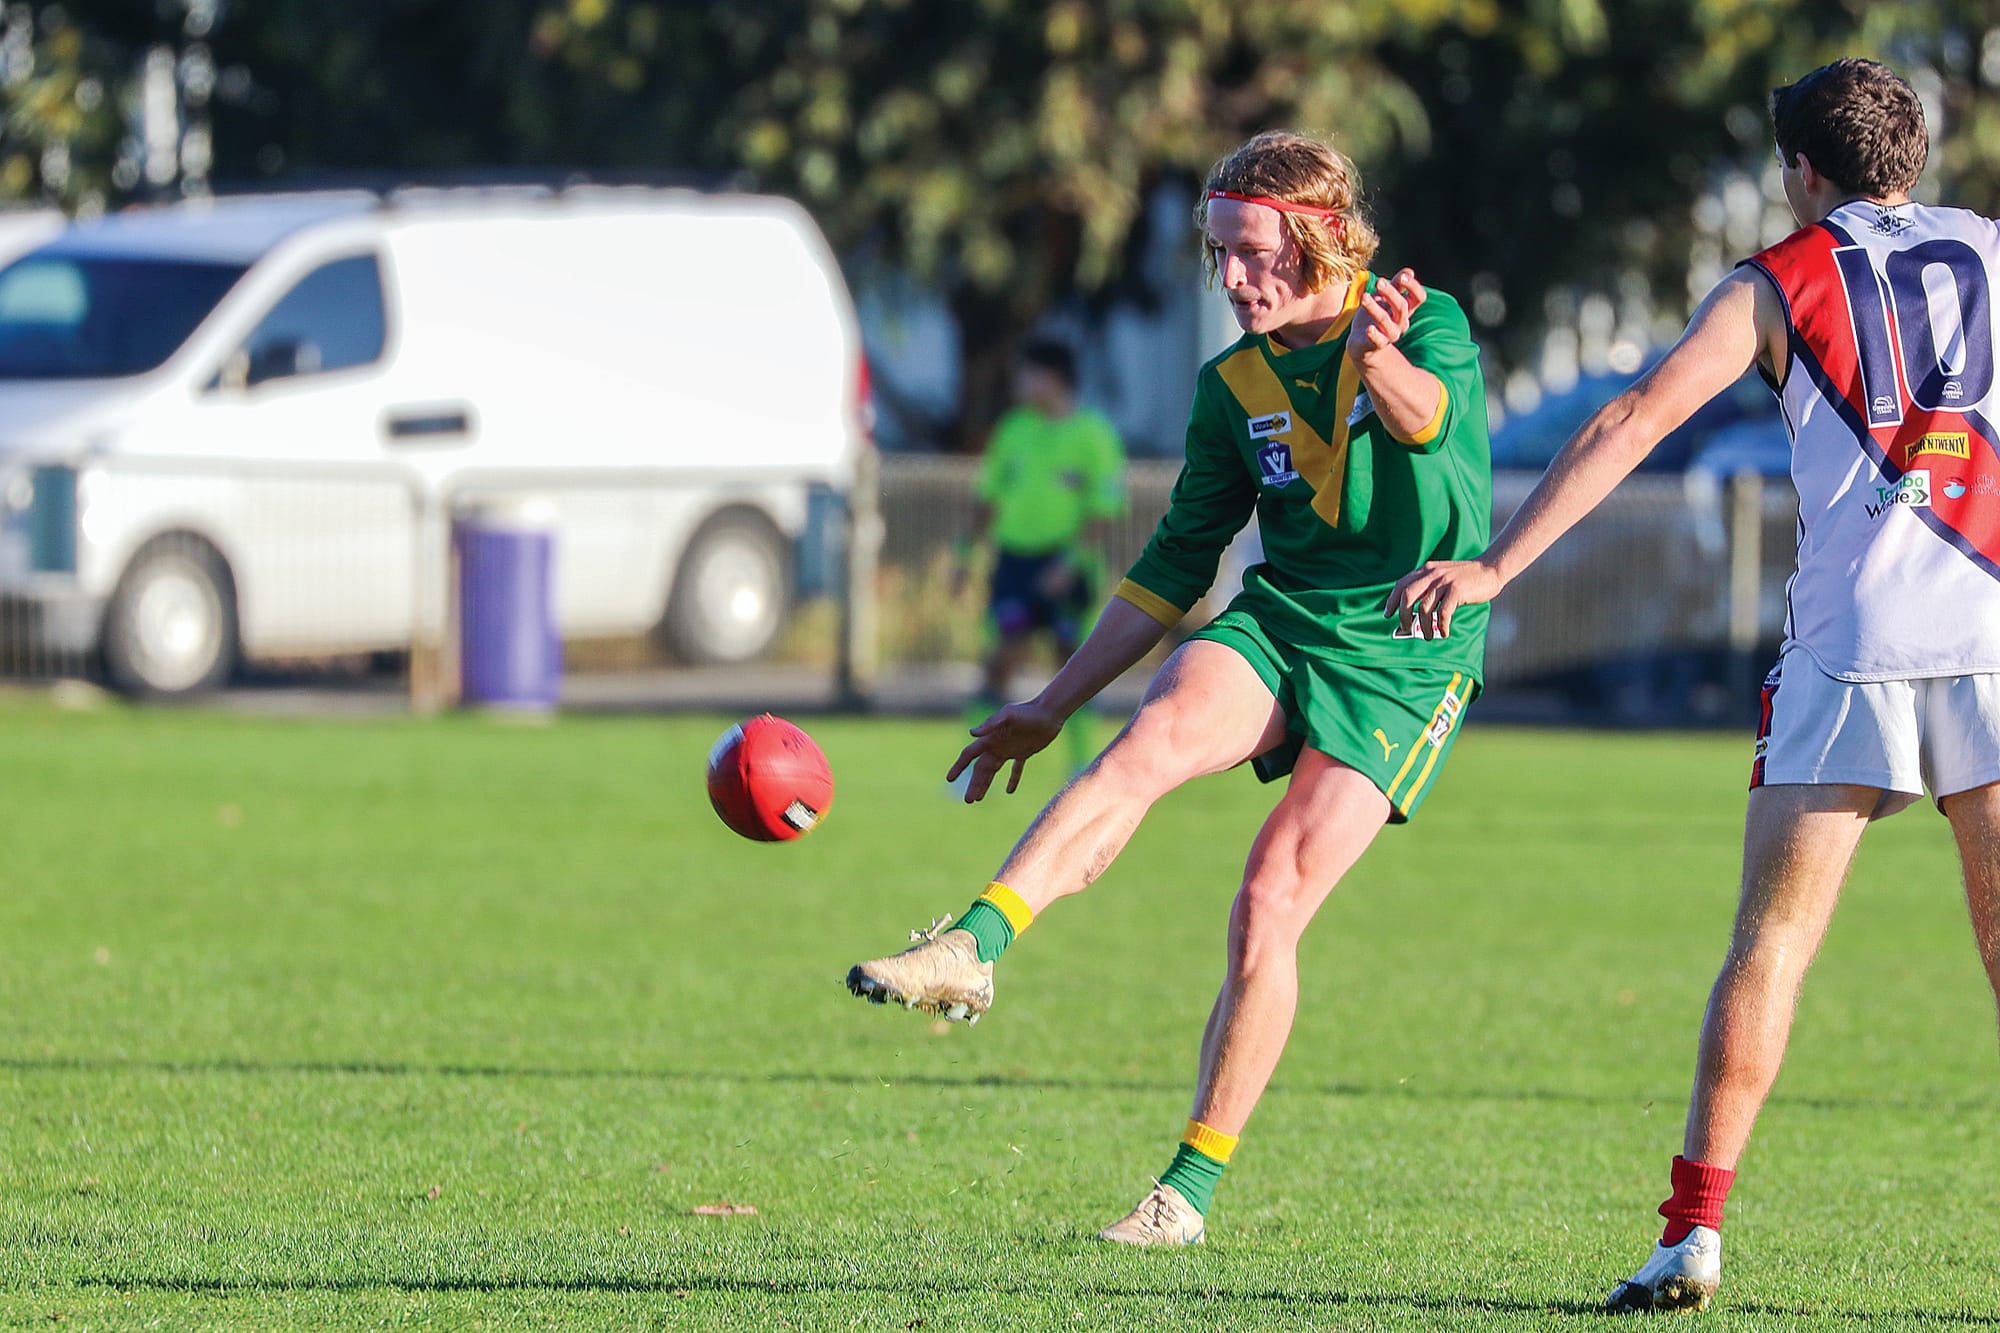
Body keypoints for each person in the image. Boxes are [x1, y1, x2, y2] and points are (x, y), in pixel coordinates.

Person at [1387, 59, 2000, 1312]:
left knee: (1768, 945)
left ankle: (1690, 1235)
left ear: (1797, 172)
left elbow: (1632, 421)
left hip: (1851, 642)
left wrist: (1499, 562)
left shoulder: (1774, 278)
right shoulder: (1989, 249)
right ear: (1913, 157)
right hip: (1990, 621)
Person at [847, 129, 1494, 1244]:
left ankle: (1182, 1193)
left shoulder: (1419, 323)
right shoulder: (1228, 385)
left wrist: (1378, 354)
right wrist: (1051, 701)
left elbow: (1424, 421)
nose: (1232, 277)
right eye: (1220, 252)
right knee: (1145, 741)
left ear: (1322, 241)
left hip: (1406, 649)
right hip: (1283, 615)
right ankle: (973, 946)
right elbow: (1171, 567)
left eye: (1252, 252)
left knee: (1268, 900)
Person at [961, 339, 1127, 774]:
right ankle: (975, 760)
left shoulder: (1093, 434)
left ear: (1052, 378)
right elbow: (988, 499)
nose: (1018, 383)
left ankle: (1080, 764)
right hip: (1015, 564)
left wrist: (1068, 564)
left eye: (1027, 374)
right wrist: (965, 556)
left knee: (1072, 661)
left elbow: (1102, 512)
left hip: (1066, 565)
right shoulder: (1014, 429)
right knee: (1000, 658)